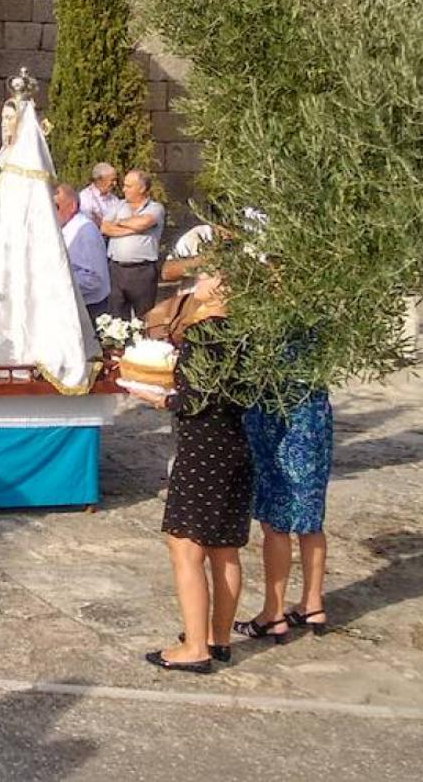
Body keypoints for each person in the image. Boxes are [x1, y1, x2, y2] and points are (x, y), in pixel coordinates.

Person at [127, 270, 249, 673]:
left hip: (203, 449)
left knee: (185, 545)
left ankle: (195, 646)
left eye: (209, 276)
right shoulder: (247, 335)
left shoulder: (204, 335)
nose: (200, 280)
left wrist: (157, 398)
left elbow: (196, 400)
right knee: (224, 547)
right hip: (236, 443)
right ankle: (218, 636)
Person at [240, 378, 336, 642]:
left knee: (275, 520)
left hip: (277, 413)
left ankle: (273, 612)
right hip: (313, 413)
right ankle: (312, 604)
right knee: (311, 515)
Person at [101, 169, 166, 322]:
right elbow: (105, 228)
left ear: (142, 188)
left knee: (144, 317)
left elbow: (144, 222)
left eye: (128, 186)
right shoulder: (118, 206)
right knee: (116, 320)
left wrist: (119, 222)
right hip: (116, 270)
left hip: (142, 272)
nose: (124, 189)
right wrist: (133, 229)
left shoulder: (155, 208)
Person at [54, 182, 111, 323]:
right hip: (70, 305)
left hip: (89, 309)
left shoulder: (85, 231)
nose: (51, 212)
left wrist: (54, 282)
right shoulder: (63, 227)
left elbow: (93, 279)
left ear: (72, 206)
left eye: (56, 207)